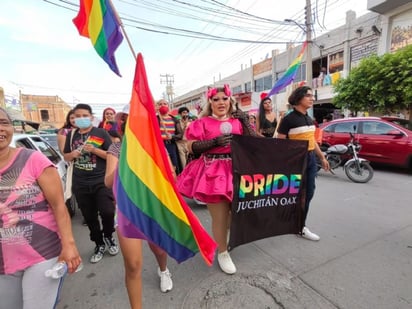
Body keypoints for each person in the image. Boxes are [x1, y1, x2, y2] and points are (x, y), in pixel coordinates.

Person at [0, 107, 82, 309]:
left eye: (3, 123)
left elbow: (58, 206)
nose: (0, 129)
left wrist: (69, 245)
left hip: (42, 254)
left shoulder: (33, 159)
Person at [176, 84, 256, 275]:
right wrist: (214, 142)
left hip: (238, 170)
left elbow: (255, 142)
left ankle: (224, 237)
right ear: (210, 102)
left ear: (230, 101)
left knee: (238, 214)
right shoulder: (201, 123)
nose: (221, 102)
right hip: (213, 173)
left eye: (224, 98)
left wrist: (245, 122)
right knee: (219, 218)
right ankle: (222, 252)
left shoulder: (238, 121)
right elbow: (191, 147)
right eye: (216, 99)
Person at [104, 104, 173, 303]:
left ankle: (164, 270)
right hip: (127, 212)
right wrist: (126, 161)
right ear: (123, 124)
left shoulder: (156, 147)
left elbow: (171, 177)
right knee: (133, 265)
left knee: (159, 250)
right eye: (128, 120)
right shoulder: (116, 148)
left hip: (153, 209)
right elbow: (108, 182)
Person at [63, 103, 119, 264]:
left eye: (84, 116)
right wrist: (72, 154)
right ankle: (99, 243)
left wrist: (94, 150)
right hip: (80, 183)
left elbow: (111, 154)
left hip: (100, 181)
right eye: (77, 116)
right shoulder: (71, 135)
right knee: (89, 217)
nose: (81, 119)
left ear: (91, 117)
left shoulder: (100, 132)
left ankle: (108, 236)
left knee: (108, 212)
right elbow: (66, 156)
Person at [276, 86, 330, 241]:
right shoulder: (288, 119)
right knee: (294, 194)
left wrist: (322, 158)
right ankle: (296, 224)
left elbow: (312, 140)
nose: (312, 98)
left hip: (311, 159)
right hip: (296, 161)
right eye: (308, 96)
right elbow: (280, 144)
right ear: (299, 98)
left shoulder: (309, 118)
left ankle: (299, 224)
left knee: (309, 192)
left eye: (312, 96)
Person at [156, 99, 183, 174]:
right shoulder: (155, 119)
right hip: (160, 145)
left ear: (168, 106)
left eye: (165, 103)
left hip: (171, 145)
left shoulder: (174, 119)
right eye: (160, 104)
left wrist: (172, 137)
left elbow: (180, 134)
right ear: (157, 106)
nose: (163, 105)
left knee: (174, 166)